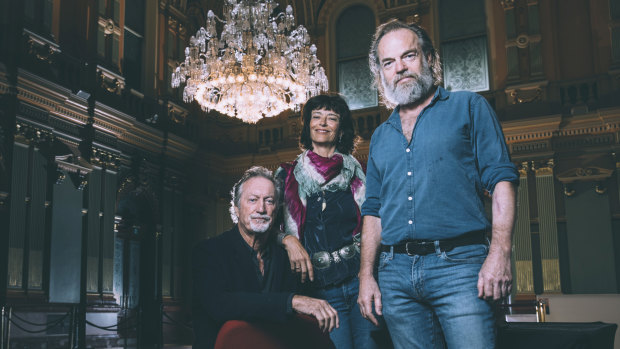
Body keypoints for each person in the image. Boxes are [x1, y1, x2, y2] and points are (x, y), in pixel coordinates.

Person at [357, 19, 519, 349]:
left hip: (460, 268)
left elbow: (501, 179)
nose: (400, 68)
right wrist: (366, 276)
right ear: (381, 74)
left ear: (429, 58)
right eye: (389, 63)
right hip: (395, 274)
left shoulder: (469, 107)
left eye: (409, 56)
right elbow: (373, 211)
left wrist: (500, 252)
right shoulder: (380, 137)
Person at [192, 166, 339, 349]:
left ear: (276, 210)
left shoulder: (288, 258)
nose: (261, 208)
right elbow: (220, 305)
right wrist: (290, 301)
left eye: (269, 201)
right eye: (252, 200)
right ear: (236, 209)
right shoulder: (209, 252)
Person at [276, 94, 381, 349]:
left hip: (360, 278)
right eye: (316, 117)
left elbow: (375, 221)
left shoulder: (362, 172)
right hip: (318, 288)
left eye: (331, 118)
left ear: (340, 127)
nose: (322, 123)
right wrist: (288, 239)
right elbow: (264, 226)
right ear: (307, 125)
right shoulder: (287, 174)